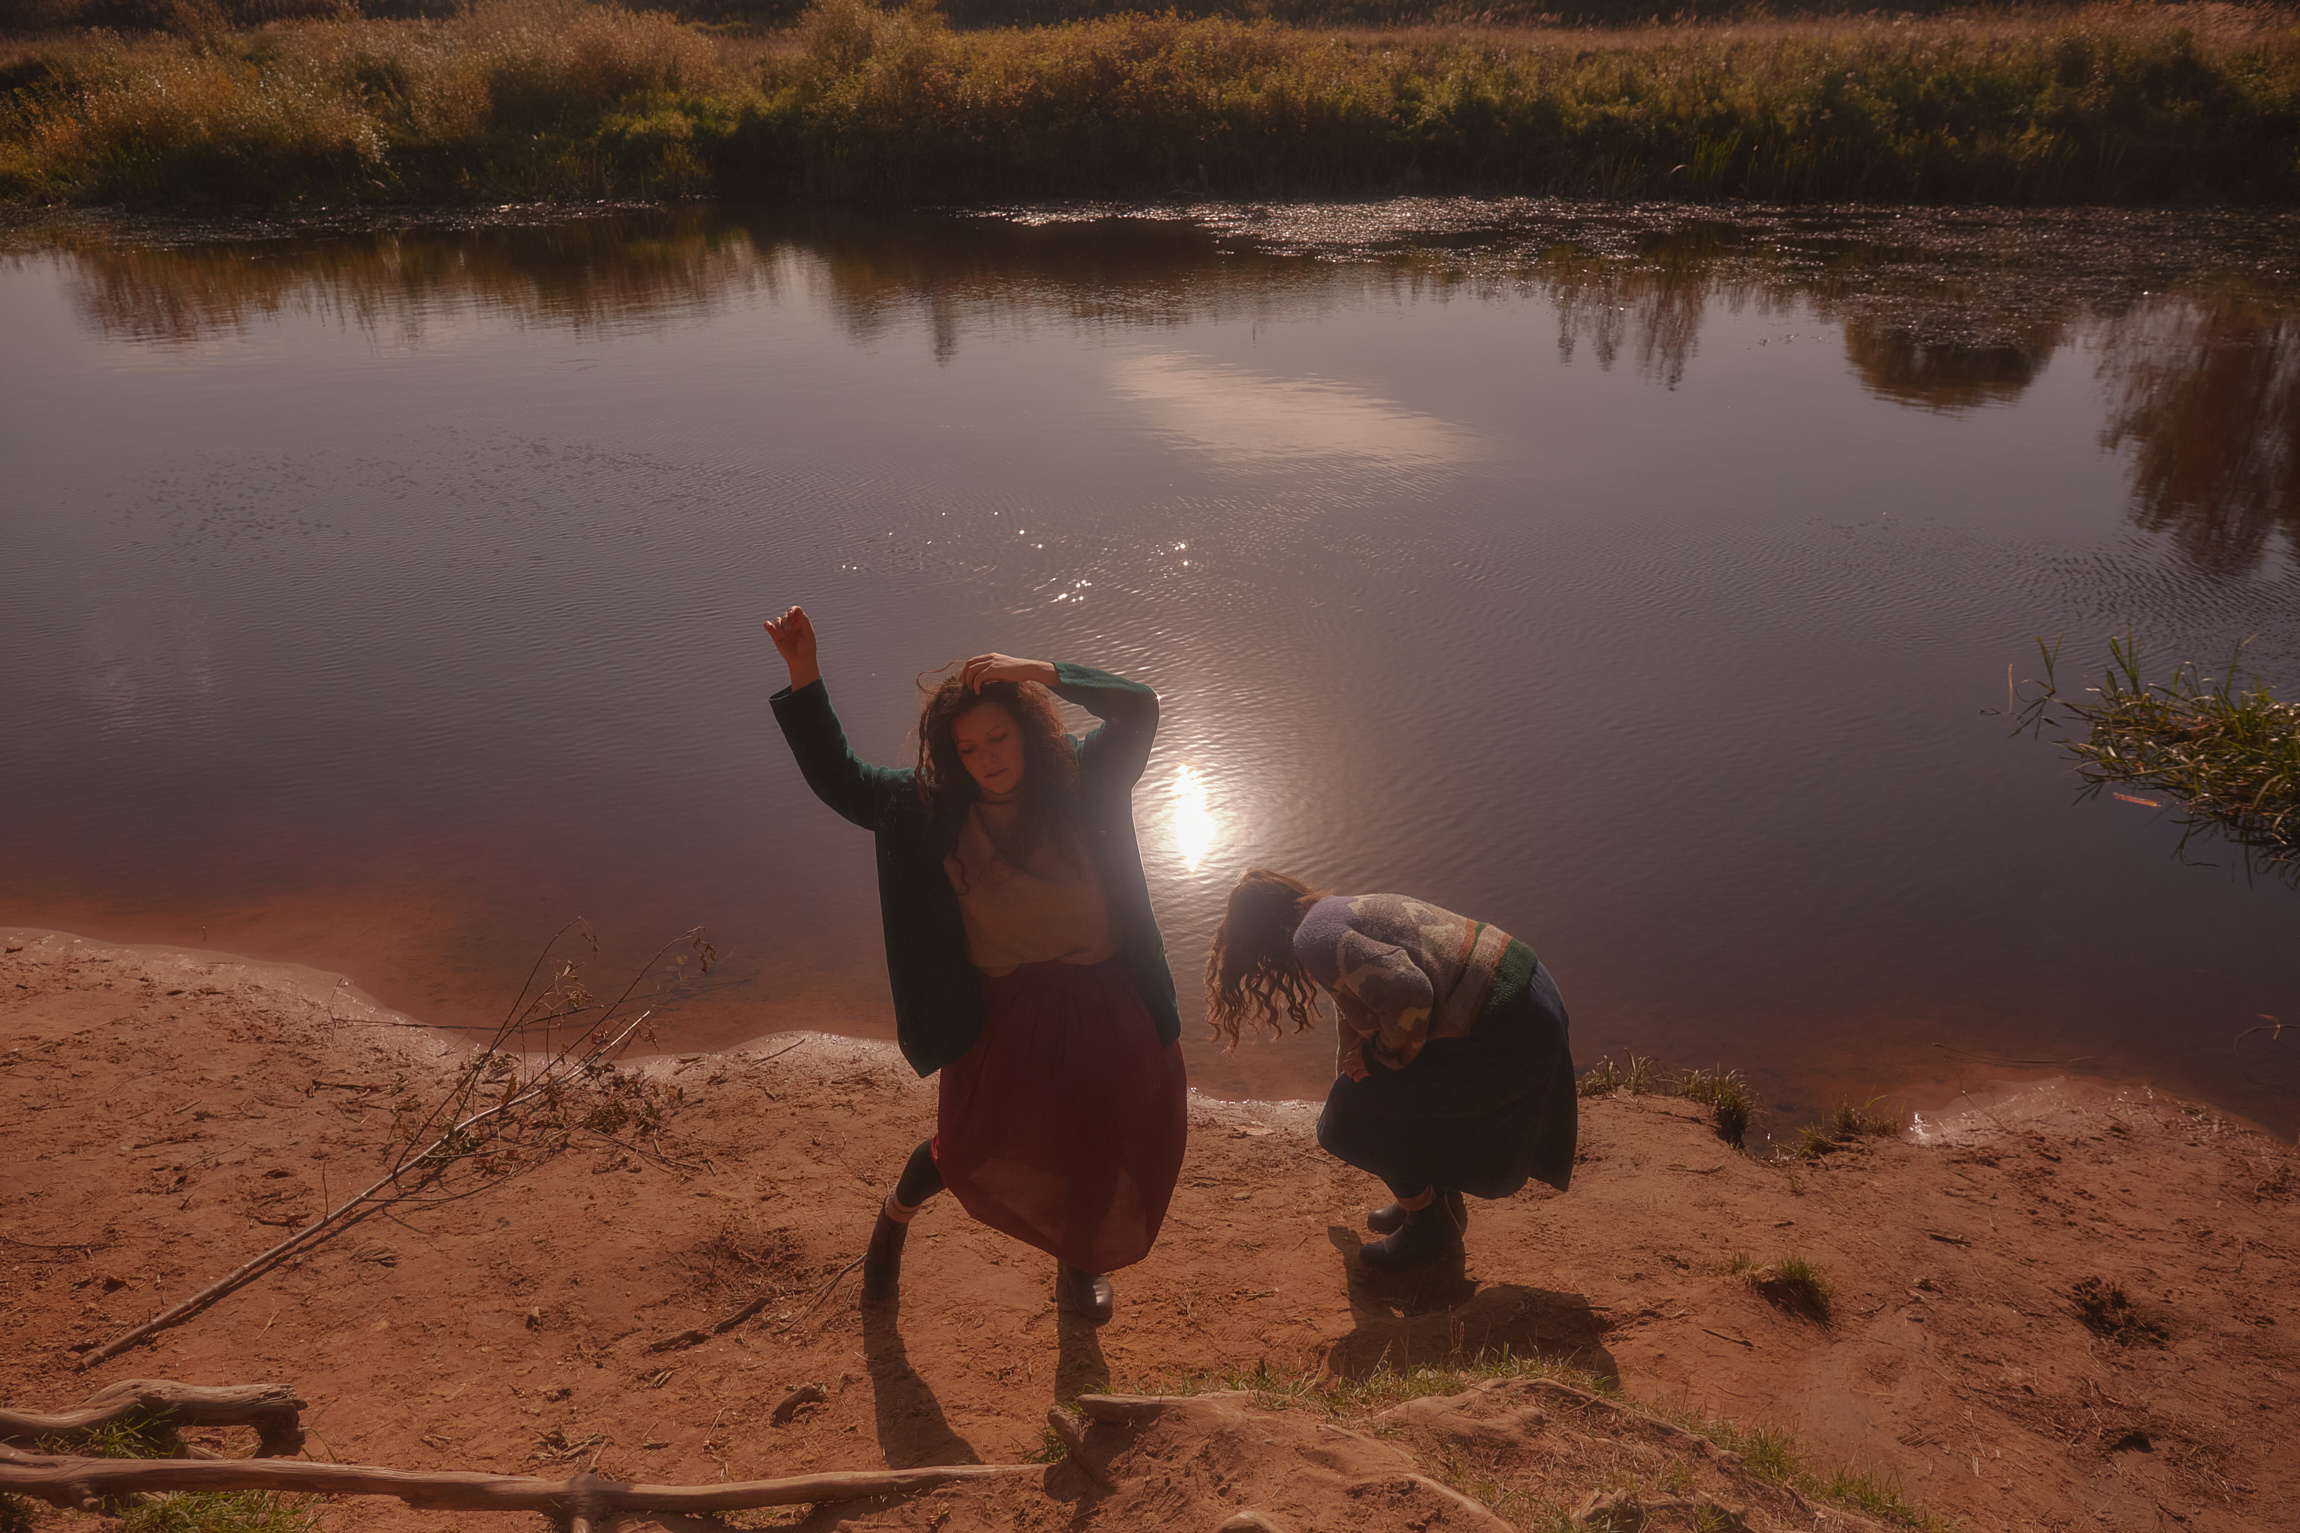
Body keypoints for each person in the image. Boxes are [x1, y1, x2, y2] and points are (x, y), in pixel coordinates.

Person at [763, 605, 1186, 1324]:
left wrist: (1038, 670)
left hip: (1105, 992)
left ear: (1025, 729)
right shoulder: (928, 810)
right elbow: (841, 778)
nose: (988, 755)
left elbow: (1140, 707)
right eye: (968, 747)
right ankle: (895, 1217)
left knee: (1098, 1130)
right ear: (950, 757)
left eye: (999, 735)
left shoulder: (1087, 778)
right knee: (965, 1147)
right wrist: (805, 675)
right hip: (1002, 1006)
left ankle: (1077, 1263)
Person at [1205, 870, 1576, 1268]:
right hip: (1534, 999)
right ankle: (1436, 1198)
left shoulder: (1313, 939)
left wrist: (1377, 1067)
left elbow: (1410, 991)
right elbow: (1358, 1009)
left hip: (1513, 1031)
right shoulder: (1331, 916)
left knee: (1351, 1113)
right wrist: (1355, 1074)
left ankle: (1430, 1231)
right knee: (1367, 1092)